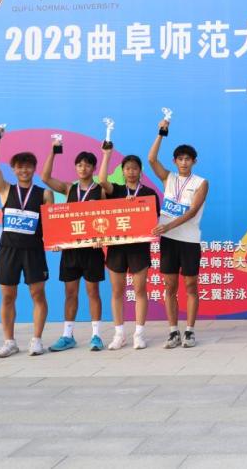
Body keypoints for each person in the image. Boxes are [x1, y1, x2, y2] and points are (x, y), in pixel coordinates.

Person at [0, 126, 52, 358]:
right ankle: (9, 342)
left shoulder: (44, 194)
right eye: (19, 166)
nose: (24, 170)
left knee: (38, 295)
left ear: (34, 168)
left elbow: (53, 224)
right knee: (7, 296)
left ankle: (37, 340)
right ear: (14, 169)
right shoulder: (5, 190)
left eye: (28, 166)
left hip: (33, 251)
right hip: (9, 250)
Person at [148, 117, 209, 349]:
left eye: (187, 159)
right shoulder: (168, 178)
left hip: (189, 241)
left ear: (194, 161)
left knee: (191, 286)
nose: (184, 162)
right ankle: (173, 331)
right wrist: (161, 133)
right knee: (169, 287)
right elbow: (151, 159)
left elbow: (192, 212)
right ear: (174, 161)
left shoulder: (201, 182)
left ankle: (190, 331)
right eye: (180, 159)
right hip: (169, 241)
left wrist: (168, 225)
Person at [41, 141, 106, 352]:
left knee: (93, 292)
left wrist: (103, 238)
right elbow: (45, 177)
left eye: (87, 165)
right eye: (79, 165)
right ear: (75, 167)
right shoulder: (69, 188)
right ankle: (68, 336)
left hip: (92, 249)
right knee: (70, 293)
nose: (83, 168)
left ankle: (96, 336)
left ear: (94, 168)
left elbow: (110, 218)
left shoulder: (101, 191)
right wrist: (53, 151)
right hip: (70, 250)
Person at [97, 148, 160, 350]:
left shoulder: (148, 194)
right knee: (117, 291)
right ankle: (119, 334)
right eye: (127, 168)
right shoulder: (115, 190)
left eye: (135, 168)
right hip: (117, 247)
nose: (131, 172)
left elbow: (154, 220)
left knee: (140, 290)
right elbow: (101, 180)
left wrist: (137, 206)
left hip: (139, 248)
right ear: (122, 171)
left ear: (140, 171)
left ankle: (139, 334)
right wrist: (106, 155)